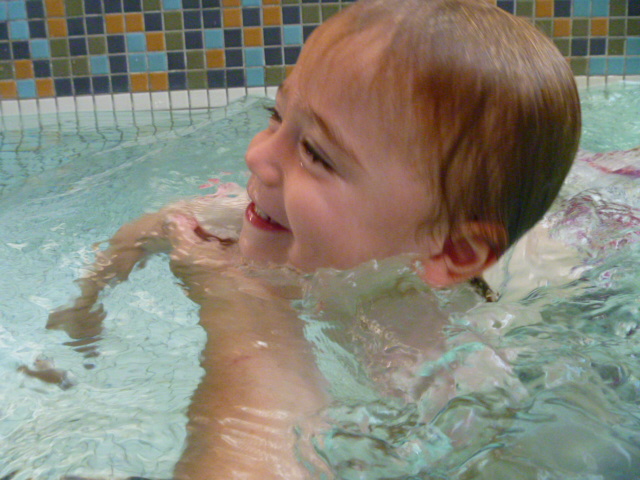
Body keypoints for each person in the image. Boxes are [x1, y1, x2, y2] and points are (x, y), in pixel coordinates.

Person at [46, 0, 581, 478]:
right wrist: (84, 310)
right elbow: (160, 223)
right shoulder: (243, 218)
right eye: (276, 116)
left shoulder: (431, 364)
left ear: (453, 252)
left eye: (316, 154)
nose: (258, 155)